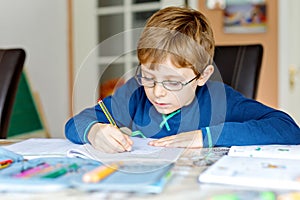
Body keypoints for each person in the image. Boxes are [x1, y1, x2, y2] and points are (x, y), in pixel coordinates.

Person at [65, 6, 300, 153]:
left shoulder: (221, 99)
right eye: (149, 77)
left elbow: (288, 129)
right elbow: (74, 124)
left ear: (202, 76)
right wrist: (94, 131)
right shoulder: (134, 93)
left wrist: (206, 136)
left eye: (173, 82)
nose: (157, 92)